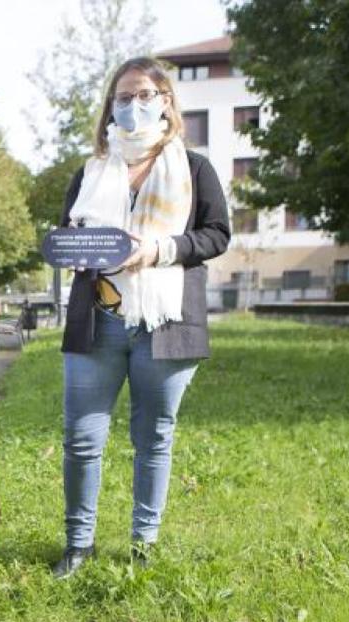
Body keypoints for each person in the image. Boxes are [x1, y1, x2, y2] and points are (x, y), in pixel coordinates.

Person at [53, 57, 230, 578]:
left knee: (154, 437)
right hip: (98, 321)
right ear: (111, 105)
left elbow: (217, 235)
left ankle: (142, 544)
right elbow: (65, 235)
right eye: (124, 97)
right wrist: (76, 248)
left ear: (167, 102)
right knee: (82, 439)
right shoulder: (90, 171)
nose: (134, 106)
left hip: (164, 321)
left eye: (145, 95)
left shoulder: (193, 168)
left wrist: (156, 250)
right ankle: (78, 545)